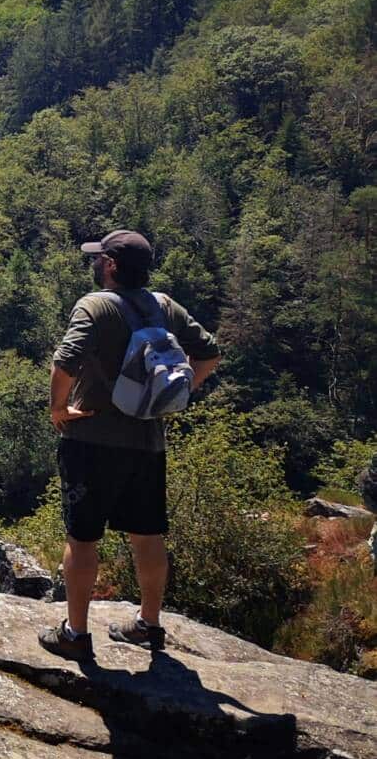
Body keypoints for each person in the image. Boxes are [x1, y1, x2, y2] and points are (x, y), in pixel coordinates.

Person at [39, 229, 219, 660]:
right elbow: (208, 353)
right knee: (148, 536)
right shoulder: (165, 307)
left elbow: (65, 361)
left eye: (100, 258)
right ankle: (148, 625)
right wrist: (180, 392)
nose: (95, 264)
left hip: (91, 440)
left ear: (113, 266)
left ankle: (76, 635)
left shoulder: (95, 305)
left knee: (82, 539)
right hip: (147, 442)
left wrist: (58, 409)